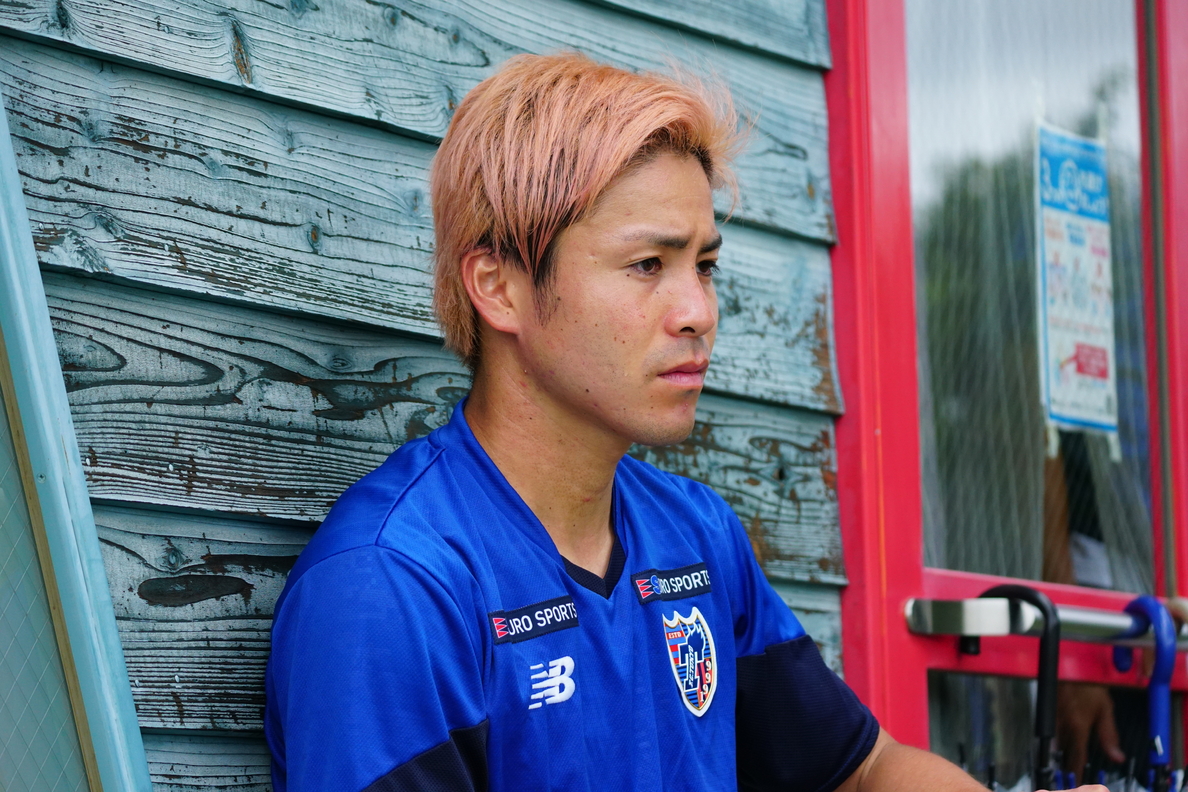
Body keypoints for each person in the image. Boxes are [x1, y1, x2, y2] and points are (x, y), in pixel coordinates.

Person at [263, 52, 1105, 792]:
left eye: (703, 265)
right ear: (500, 287)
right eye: (647, 265)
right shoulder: (392, 585)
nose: (698, 310)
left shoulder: (693, 535)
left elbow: (860, 771)